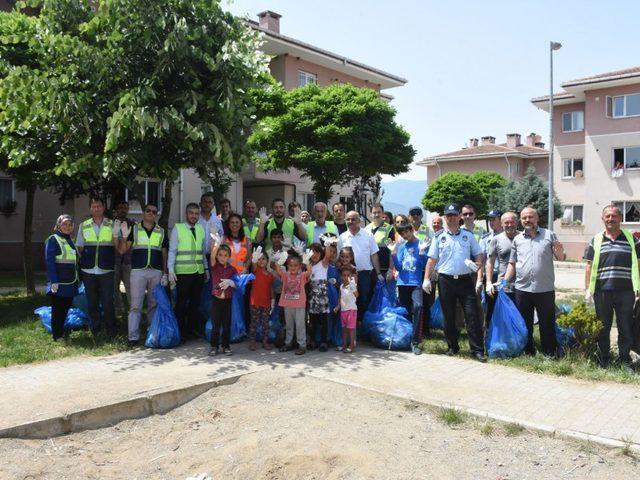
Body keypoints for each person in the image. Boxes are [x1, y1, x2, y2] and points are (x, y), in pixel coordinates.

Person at [422, 203, 485, 362]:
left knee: (472, 315)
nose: (451, 218)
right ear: (445, 218)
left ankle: (477, 350)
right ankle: (452, 346)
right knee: (448, 315)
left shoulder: (468, 235)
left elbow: (478, 254)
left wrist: (478, 271)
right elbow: (432, 259)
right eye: (448, 215)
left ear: (459, 217)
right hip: (445, 280)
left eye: (454, 215)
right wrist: (426, 279)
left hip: (465, 280)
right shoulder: (439, 237)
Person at [584, 205, 640, 370]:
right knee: (603, 327)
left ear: (620, 218)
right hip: (602, 292)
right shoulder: (596, 239)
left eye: (614, 216)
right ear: (603, 219)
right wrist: (588, 289)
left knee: (625, 326)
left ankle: (624, 359)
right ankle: (604, 359)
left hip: (627, 292)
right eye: (607, 216)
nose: (610, 219)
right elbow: (588, 266)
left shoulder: (632, 239)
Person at [504, 207, 565, 357]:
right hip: (522, 289)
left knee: (547, 323)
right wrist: (504, 281)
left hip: (544, 288)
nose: (527, 220)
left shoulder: (549, 235)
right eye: (524, 218)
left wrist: (559, 251)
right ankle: (527, 351)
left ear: (537, 218)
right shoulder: (518, 239)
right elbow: (512, 263)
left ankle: (550, 352)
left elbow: (561, 257)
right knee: (525, 323)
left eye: (530, 217)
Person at [116, 203, 168, 346]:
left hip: (156, 271)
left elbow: (164, 253)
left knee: (153, 304)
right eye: (148, 211)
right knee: (135, 305)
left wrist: (165, 273)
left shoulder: (161, 231)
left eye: (154, 211)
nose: (151, 213)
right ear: (143, 213)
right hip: (138, 271)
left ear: (156, 214)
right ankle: (133, 336)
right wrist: (123, 237)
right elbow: (122, 250)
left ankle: (152, 333)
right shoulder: (135, 229)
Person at [76, 197, 118, 339]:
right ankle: (96, 329)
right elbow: (80, 247)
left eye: (99, 206)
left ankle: (110, 330)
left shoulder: (112, 224)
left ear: (103, 207)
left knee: (107, 301)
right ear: (90, 208)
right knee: (92, 301)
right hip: (88, 270)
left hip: (106, 269)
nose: (96, 209)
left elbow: (118, 246)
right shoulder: (84, 225)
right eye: (93, 206)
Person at [168, 203, 208, 339]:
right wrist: (170, 270)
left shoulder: (201, 229)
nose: (194, 216)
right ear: (186, 214)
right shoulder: (178, 228)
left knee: (195, 303)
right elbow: (172, 251)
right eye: (191, 213)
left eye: (196, 213)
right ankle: (180, 331)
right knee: (181, 303)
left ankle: (192, 329)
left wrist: (206, 268)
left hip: (198, 272)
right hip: (183, 273)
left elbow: (202, 252)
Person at [338, 211, 383, 324]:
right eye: (348, 219)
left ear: (359, 221)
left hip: (364, 274)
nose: (350, 222)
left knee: (364, 300)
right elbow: (339, 257)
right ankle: (351, 326)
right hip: (347, 275)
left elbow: (374, 255)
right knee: (349, 300)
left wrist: (378, 273)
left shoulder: (368, 235)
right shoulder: (342, 237)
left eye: (353, 219)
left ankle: (363, 326)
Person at [389, 222, 428, 355]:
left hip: (415, 282)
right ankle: (405, 338)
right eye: (402, 233)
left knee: (418, 307)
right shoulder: (401, 246)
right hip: (402, 283)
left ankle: (416, 341)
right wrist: (393, 254)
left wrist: (422, 252)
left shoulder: (421, 243)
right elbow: (399, 268)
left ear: (412, 230)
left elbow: (423, 265)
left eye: (407, 232)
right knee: (404, 310)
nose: (405, 235)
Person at [45, 215, 80, 341]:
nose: (67, 226)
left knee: (65, 307)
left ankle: (61, 330)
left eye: (70, 224)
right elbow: (50, 262)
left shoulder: (71, 240)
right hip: (59, 282)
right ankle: (57, 335)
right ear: (59, 225)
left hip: (70, 281)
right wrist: (53, 281)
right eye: (65, 224)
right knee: (57, 309)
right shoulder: (53, 239)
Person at [273, 249, 312, 355]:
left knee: (300, 325)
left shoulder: (302, 276)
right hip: (287, 304)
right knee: (289, 325)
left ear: (300, 267)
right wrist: (280, 261)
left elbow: (309, 272)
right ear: (287, 266)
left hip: (299, 305)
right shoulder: (285, 275)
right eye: (291, 265)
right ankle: (288, 343)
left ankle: (302, 345)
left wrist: (307, 261)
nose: (293, 267)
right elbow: (277, 269)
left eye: (295, 265)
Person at [485, 212, 518, 318]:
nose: (509, 225)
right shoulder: (496, 240)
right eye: (506, 222)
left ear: (517, 223)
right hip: (503, 284)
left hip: (523, 284)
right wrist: (489, 282)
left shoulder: (524, 237)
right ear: (502, 224)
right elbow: (490, 262)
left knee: (521, 315)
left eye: (512, 222)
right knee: (502, 316)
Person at [208, 239, 237, 356]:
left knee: (226, 324)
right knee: (216, 325)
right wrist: (216, 245)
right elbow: (212, 256)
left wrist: (232, 282)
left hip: (228, 300)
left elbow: (237, 283)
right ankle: (214, 346)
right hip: (216, 300)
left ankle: (226, 346)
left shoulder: (232, 269)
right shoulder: (215, 267)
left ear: (229, 256)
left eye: (225, 255)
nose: (222, 257)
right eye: (220, 255)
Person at [479, 209, 503, 325]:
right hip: (491, 277)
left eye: (494, 219)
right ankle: (489, 332)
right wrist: (480, 280)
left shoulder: (510, 236)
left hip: (505, 276)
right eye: (490, 220)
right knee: (490, 305)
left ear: (501, 220)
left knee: (506, 305)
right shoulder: (485, 238)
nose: (491, 222)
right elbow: (482, 260)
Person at [308, 242, 333, 351]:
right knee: (313, 321)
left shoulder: (323, 264)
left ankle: (324, 342)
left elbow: (327, 256)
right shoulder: (308, 265)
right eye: (312, 252)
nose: (314, 254)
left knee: (323, 321)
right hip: (312, 297)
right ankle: (313, 341)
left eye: (317, 252)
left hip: (323, 296)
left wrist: (327, 245)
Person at [249, 246, 274, 351]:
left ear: (267, 260)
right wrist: (254, 260)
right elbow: (253, 265)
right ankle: (252, 342)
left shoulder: (270, 275)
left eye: (263, 258)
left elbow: (271, 288)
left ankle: (265, 342)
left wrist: (273, 301)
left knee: (265, 324)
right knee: (253, 323)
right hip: (255, 302)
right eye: (259, 259)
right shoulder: (255, 271)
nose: (261, 260)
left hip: (266, 303)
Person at [112, 200, 134, 319]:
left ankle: (132, 311)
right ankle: (118, 312)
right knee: (114, 288)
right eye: (120, 208)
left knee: (130, 287)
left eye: (125, 208)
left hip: (128, 260)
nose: (123, 210)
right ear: (116, 209)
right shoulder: (111, 224)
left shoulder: (132, 223)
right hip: (114, 261)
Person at [364, 203, 395, 279]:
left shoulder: (389, 228)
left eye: (379, 212)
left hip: (383, 269)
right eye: (374, 213)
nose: (376, 215)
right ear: (371, 214)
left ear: (382, 213)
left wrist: (390, 269)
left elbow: (392, 250)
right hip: (369, 268)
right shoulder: (366, 229)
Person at [335, 265, 358, 353]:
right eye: (344, 275)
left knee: (351, 330)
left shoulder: (353, 285)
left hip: (351, 310)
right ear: (341, 276)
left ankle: (351, 346)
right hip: (343, 311)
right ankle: (344, 345)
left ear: (351, 276)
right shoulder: (341, 286)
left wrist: (353, 287)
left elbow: (357, 295)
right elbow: (340, 298)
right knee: (344, 330)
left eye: (348, 275)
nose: (346, 277)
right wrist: (337, 307)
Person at [199, 193, 224, 264]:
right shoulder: (195, 219)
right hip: (198, 256)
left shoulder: (217, 220)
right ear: (200, 204)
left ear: (213, 205)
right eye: (205, 202)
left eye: (210, 202)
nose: (207, 204)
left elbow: (221, 236)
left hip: (213, 256)